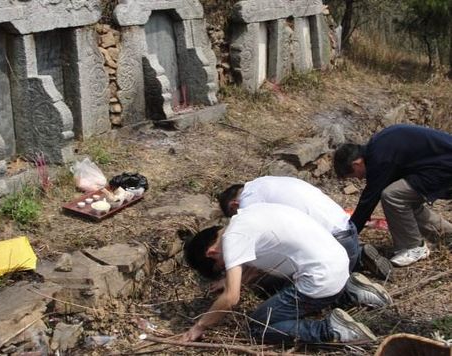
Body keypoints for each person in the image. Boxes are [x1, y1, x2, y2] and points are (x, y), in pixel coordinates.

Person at [182, 203, 392, 344]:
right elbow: (252, 265)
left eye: (221, 266)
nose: (227, 267)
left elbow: (231, 298)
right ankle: (351, 291)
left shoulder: (232, 240)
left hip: (321, 280)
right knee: (273, 283)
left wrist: (200, 326)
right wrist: (229, 279)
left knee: (257, 327)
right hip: (338, 262)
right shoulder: (247, 214)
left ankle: (330, 329)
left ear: (211, 253)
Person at [218, 176, 393, 279]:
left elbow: (253, 247)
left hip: (335, 243)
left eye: (234, 214)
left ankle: (354, 280)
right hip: (348, 228)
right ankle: (359, 255)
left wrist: (234, 277)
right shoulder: (265, 182)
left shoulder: (249, 203)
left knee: (284, 280)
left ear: (234, 204)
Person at [334, 124, 452, 267]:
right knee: (404, 197)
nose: (358, 179)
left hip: (443, 165)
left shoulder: (380, 158)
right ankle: (447, 236)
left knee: (392, 196)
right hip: (438, 163)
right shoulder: (378, 148)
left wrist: (349, 236)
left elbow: (369, 200)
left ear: (356, 164)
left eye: (353, 175)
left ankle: (413, 247)